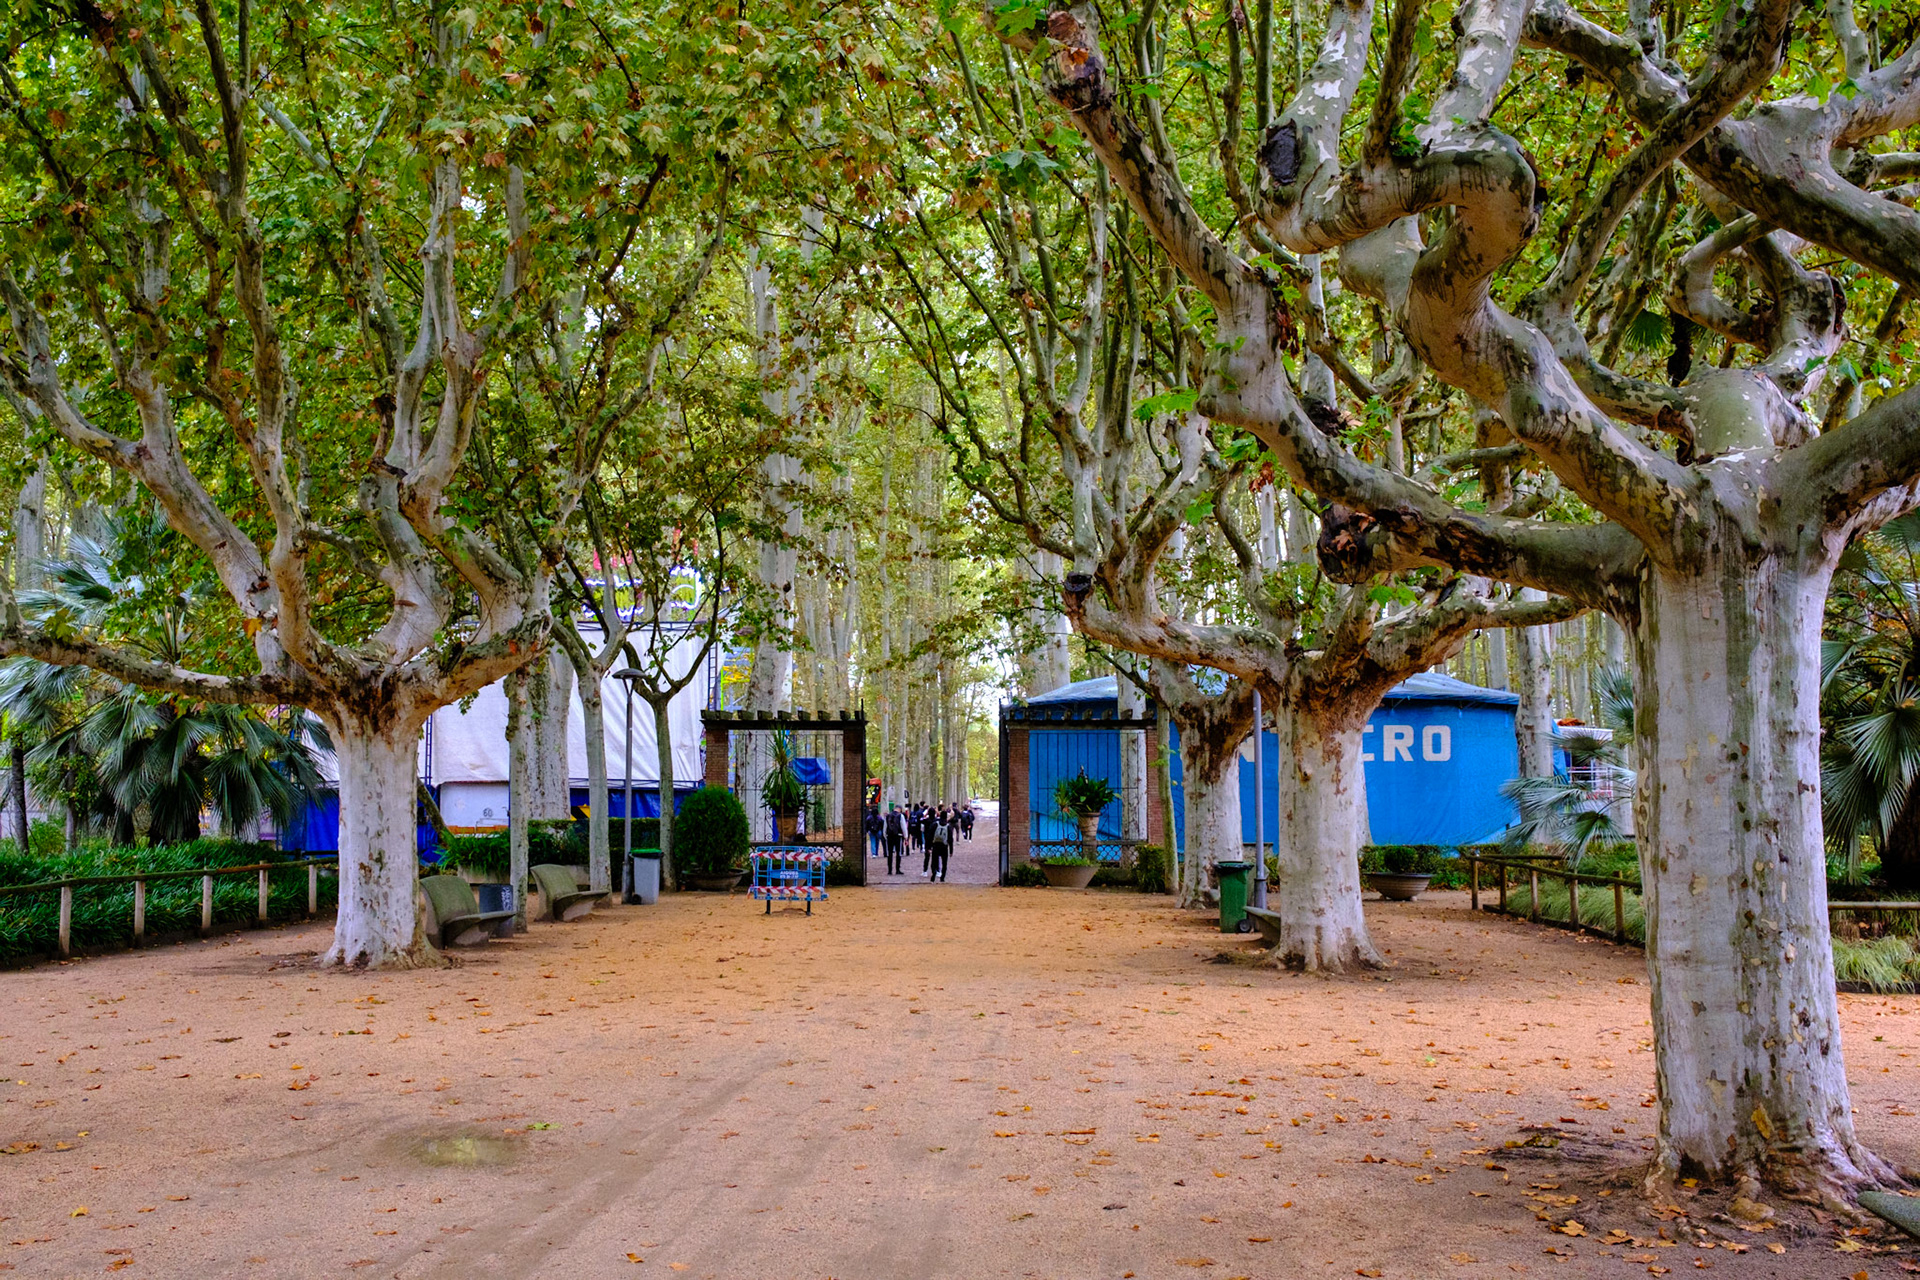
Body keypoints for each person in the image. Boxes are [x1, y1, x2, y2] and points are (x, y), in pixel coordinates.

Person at [927, 811, 952, 882]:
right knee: (944, 863)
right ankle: (942, 877)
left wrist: (929, 847)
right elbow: (950, 839)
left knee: (934, 861)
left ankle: (934, 873)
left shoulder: (935, 824)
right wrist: (951, 850)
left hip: (935, 845)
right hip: (944, 846)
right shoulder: (948, 826)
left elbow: (930, 836)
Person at [883, 804, 906, 876]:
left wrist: (885, 836)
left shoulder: (887, 816)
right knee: (898, 853)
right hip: (898, 836)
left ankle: (890, 870)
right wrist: (906, 837)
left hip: (889, 836)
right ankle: (897, 869)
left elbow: (885, 827)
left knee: (889, 853)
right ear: (900, 809)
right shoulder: (900, 816)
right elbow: (903, 827)